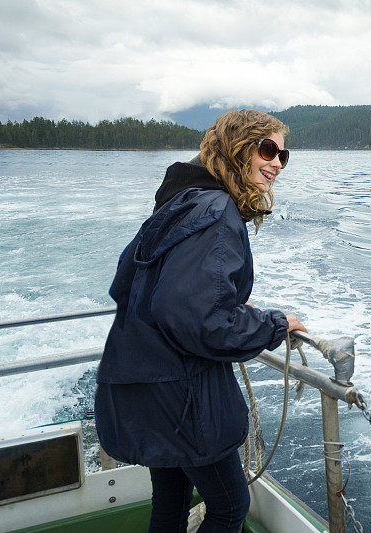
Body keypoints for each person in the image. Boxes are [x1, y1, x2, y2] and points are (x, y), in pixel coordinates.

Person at [94, 108, 306, 533]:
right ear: (237, 147)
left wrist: (229, 307)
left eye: (285, 155)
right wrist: (274, 324)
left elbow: (131, 287)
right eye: (268, 150)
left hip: (143, 381)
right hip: (182, 396)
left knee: (170, 502)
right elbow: (200, 321)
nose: (277, 164)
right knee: (229, 505)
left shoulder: (180, 202)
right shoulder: (216, 211)